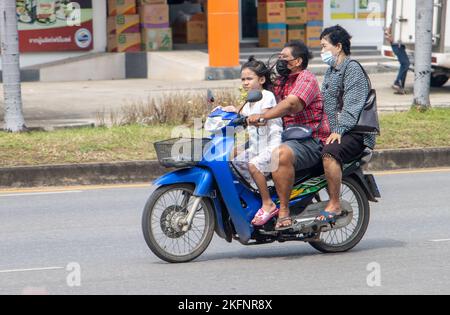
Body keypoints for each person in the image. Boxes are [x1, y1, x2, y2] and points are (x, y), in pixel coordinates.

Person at [248, 40, 331, 230]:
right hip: (287, 137)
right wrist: (233, 111)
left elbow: (290, 105)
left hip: (311, 140)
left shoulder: (306, 79)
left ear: (297, 61)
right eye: (279, 57)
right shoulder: (281, 82)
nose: (280, 61)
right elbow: (261, 95)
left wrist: (262, 116)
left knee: (279, 154)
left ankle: (282, 211)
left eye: (284, 58)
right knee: (238, 153)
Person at [315, 25, 377, 224]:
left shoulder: (352, 69)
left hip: (355, 132)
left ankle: (334, 203)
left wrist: (339, 130)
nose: (322, 51)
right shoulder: (331, 71)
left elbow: (352, 106)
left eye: (325, 47)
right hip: (336, 130)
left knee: (330, 153)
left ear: (338, 46)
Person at [217, 56, 283, 226]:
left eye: (249, 79)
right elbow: (238, 113)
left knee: (253, 165)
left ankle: (268, 204)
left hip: (271, 146)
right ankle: (256, 194)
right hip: (256, 147)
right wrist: (225, 112)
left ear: (261, 80)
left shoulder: (266, 96)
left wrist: (255, 119)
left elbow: (265, 118)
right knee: (232, 162)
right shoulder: (250, 100)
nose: (245, 82)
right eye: (243, 79)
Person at [385, 26, 410, 95]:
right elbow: (387, 31)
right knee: (405, 64)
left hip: (398, 45)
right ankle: (397, 83)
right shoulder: (393, 23)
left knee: (404, 64)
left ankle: (400, 87)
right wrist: (389, 36)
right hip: (396, 45)